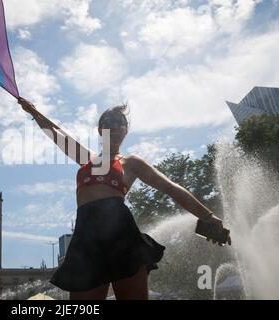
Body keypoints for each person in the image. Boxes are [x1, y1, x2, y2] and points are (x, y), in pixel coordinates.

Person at [18, 97, 231, 300]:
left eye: (122, 123)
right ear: (101, 129)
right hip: (86, 237)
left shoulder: (131, 163)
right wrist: (34, 112)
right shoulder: (88, 158)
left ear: (126, 131)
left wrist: (209, 216)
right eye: (110, 121)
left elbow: (171, 189)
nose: (117, 126)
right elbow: (57, 134)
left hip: (122, 234)